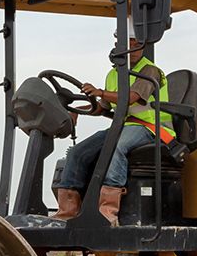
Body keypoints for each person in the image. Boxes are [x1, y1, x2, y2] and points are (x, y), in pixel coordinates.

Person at [52, 28, 171, 225]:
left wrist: (100, 92)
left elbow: (132, 98)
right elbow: (103, 108)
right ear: (118, 45)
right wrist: (77, 108)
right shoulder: (114, 75)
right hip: (124, 127)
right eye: (129, 43)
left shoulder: (150, 71)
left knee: (117, 147)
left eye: (137, 44)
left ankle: (107, 212)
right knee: (78, 152)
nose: (133, 48)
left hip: (153, 128)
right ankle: (67, 212)